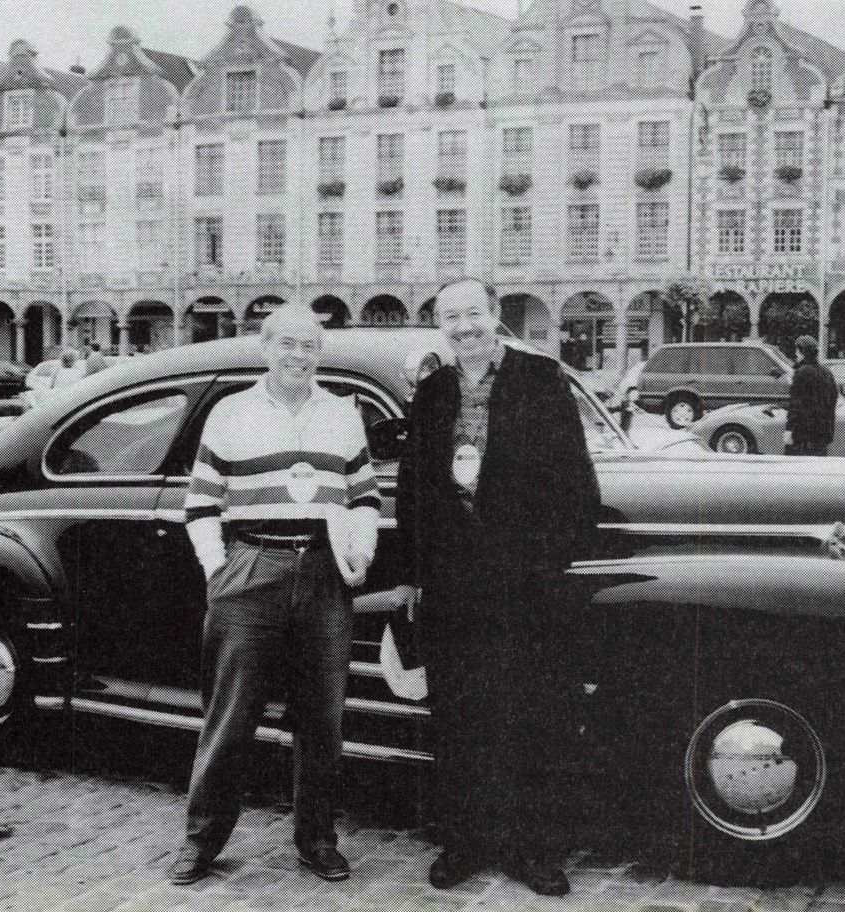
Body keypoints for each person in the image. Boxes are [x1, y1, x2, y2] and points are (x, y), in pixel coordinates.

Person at [393, 277, 600, 897]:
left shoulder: (539, 380)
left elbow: (575, 483)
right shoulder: (432, 390)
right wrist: (414, 572)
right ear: (442, 326)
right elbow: (413, 488)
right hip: (454, 581)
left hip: (524, 580)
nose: (464, 328)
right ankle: (465, 840)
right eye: (451, 318)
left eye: (473, 315)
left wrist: (547, 563)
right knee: (459, 712)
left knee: (532, 709)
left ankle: (532, 848)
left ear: (495, 316)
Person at [171, 304, 380, 886]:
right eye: (286, 344)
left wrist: (358, 550)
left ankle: (316, 838)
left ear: (320, 353)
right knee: (231, 715)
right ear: (265, 348)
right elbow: (202, 504)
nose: (297, 356)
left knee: (323, 718)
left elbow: (363, 496)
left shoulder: (342, 414)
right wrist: (220, 568)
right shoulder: (230, 412)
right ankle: (202, 838)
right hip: (250, 567)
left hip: (323, 571)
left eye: (308, 346)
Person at [785, 335, 838, 456]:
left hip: (803, 434)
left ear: (802, 352)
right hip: (822, 433)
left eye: (797, 351)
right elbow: (833, 400)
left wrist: (790, 430)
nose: (796, 354)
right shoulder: (827, 373)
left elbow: (796, 405)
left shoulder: (801, 373)